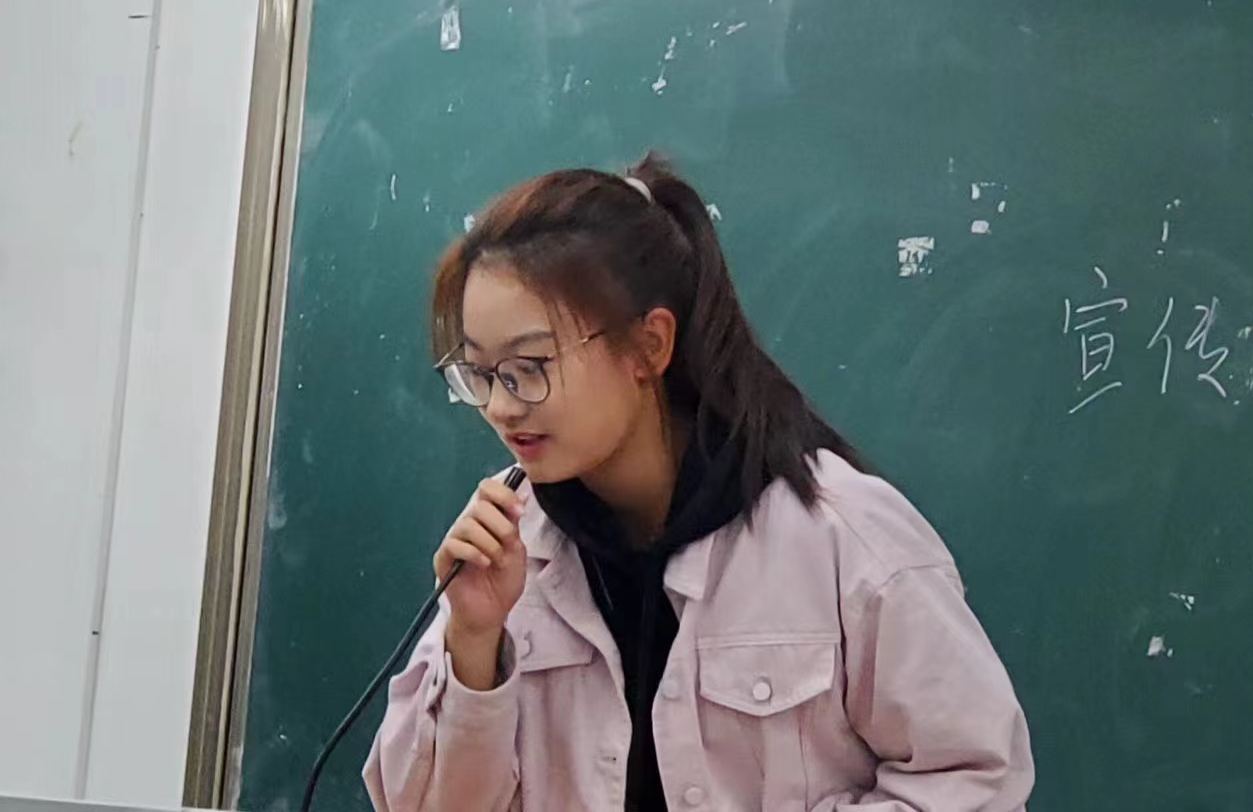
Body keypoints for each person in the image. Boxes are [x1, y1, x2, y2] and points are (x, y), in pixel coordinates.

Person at [364, 155, 1034, 812]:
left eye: (529, 366)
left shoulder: (841, 535)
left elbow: (978, 780)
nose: (502, 405)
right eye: (479, 374)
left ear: (649, 345)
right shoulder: (509, 547)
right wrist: (474, 643)